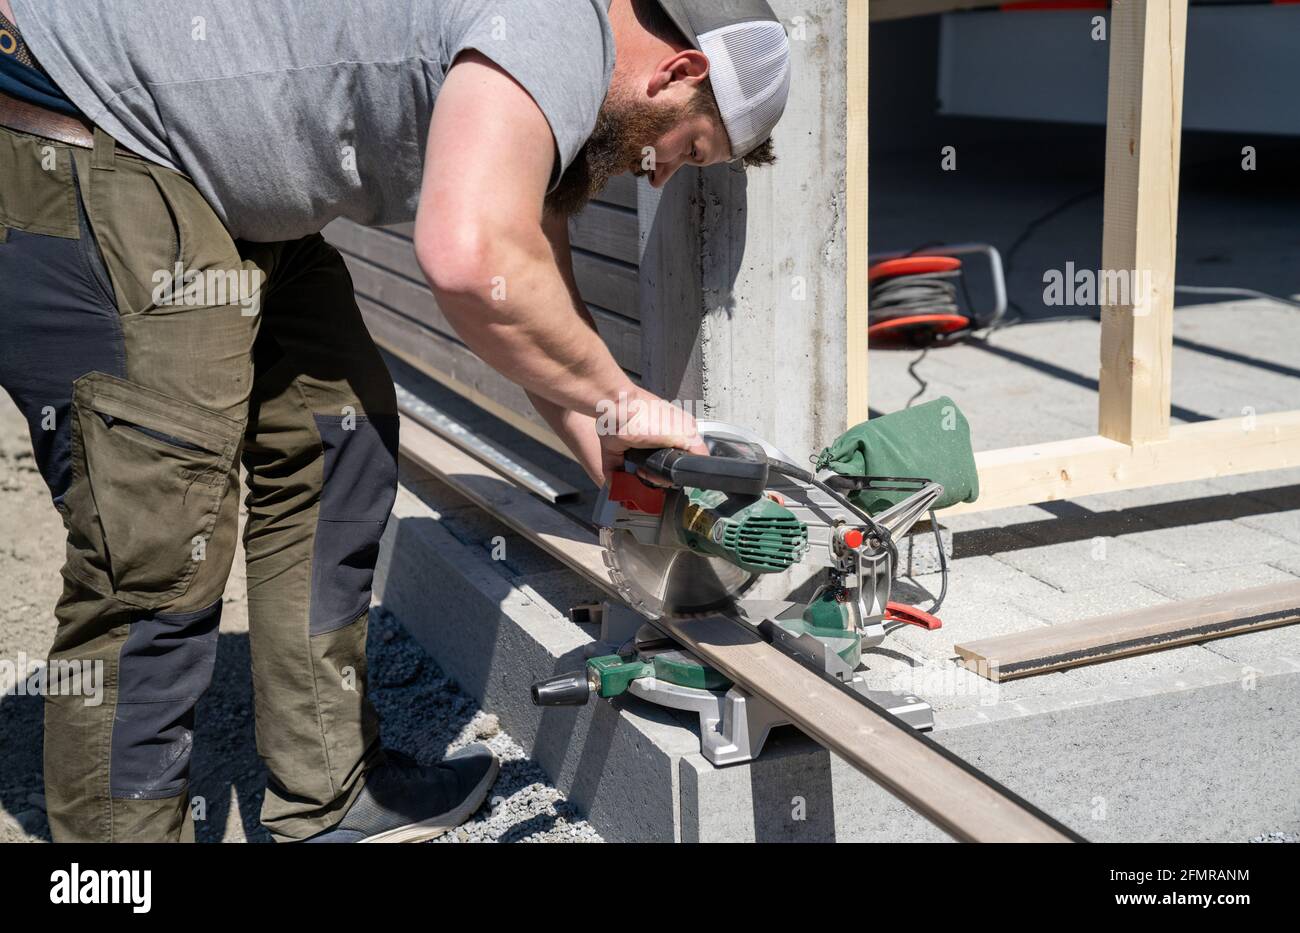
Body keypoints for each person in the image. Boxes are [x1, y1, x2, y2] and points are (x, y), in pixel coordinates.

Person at [0, 0, 790, 842]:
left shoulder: (555, 74)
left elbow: (528, 283)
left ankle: (326, 793)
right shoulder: (560, 25)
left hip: (208, 175)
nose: (662, 174)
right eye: (687, 149)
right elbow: (467, 257)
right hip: (82, 126)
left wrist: (612, 458)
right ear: (679, 73)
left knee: (335, 431)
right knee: (153, 539)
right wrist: (624, 398)